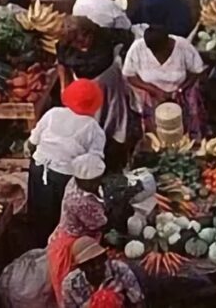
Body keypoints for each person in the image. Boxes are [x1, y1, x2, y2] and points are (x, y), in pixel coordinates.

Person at [27, 79, 106, 240]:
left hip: (39, 168)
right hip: (65, 177)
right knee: (62, 220)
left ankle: (38, 244)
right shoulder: (93, 128)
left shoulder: (52, 113)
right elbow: (93, 163)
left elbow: (32, 142)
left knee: (40, 213)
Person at [56, 16, 133, 166]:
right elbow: (62, 64)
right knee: (86, 118)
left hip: (108, 84)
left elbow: (129, 37)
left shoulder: (103, 35)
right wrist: (64, 87)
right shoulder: (64, 46)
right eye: (73, 43)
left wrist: (122, 60)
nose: (78, 45)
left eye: (81, 40)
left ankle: (116, 150)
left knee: (112, 118)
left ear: (88, 32)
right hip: (83, 85)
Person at [122, 24, 208, 138]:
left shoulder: (183, 46)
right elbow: (129, 76)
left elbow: (197, 72)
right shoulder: (137, 49)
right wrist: (154, 90)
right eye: (154, 52)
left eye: (162, 50)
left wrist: (181, 89)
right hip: (151, 94)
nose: (159, 55)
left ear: (168, 42)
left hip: (181, 91)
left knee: (188, 116)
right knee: (157, 131)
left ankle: (192, 138)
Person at [46, 154, 108, 306]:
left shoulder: (74, 182)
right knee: (79, 290)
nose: (99, 182)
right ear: (83, 181)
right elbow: (100, 224)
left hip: (76, 233)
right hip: (75, 244)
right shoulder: (80, 201)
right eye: (94, 181)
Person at [62, 236, 143, 308]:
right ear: (81, 267)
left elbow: (138, 301)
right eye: (91, 264)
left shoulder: (120, 270)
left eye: (100, 261)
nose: (97, 267)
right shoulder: (70, 284)